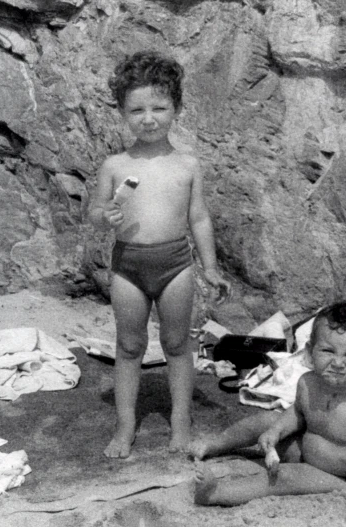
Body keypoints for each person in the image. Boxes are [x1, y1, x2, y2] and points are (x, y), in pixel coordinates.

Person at [88, 50, 231, 458]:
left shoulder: (187, 165)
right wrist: (106, 215)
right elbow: (97, 214)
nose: (148, 118)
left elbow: (199, 217)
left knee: (176, 343)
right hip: (128, 266)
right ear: (122, 112)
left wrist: (211, 267)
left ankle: (181, 419)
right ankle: (125, 423)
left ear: (177, 109)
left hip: (176, 265)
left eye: (158, 107)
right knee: (129, 346)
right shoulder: (114, 165)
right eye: (136, 109)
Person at [189, 301, 346, 517]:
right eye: (328, 351)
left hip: (340, 477)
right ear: (310, 352)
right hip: (304, 450)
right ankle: (217, 444)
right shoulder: (307, 382)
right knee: (266, 421)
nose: (338, 362)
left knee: (285, 476)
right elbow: (298, 413)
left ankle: (215, 493)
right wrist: (277, 431)